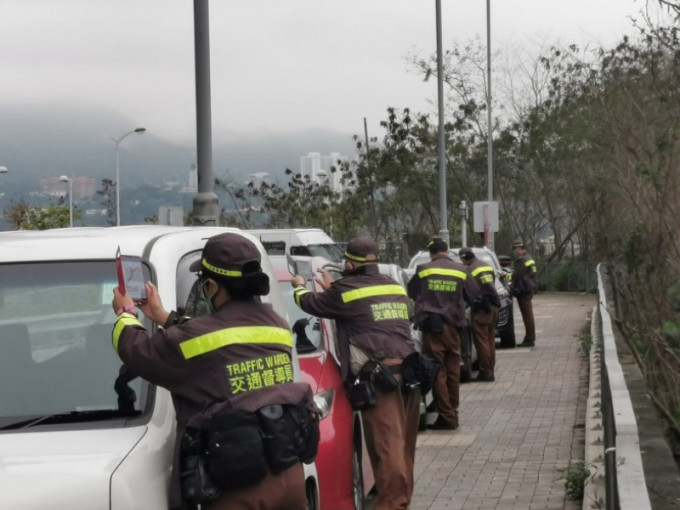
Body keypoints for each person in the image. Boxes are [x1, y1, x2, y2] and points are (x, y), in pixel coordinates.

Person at [111, 232, 318, 510]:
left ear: (210, 286)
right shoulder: (276, 325)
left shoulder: (196, 342)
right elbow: (218, 339)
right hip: (287, 477)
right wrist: (164, 317)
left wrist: (125, 313)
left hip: (238, 486)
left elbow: (139, 352)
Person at [290, 237, 420, 510]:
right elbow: (364, 307)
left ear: (349, 264)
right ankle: (401, 501)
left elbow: (310, 304)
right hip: (409, 374)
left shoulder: (344, 292)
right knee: (403, 449)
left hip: (380, 379)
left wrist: (299, 287)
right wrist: (335, 288)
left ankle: (393, 505)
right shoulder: (393, 286)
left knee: (387, 450)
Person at [407, 237, 477, 430]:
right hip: (454, 328)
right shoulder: (462, 270)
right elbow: (474, 294)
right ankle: (452, 412)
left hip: (433, 329)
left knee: (437, 370)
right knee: (453, 369)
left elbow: (411, 292)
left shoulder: (424, 270)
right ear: (447, 251)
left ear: (431, 253)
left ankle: (447, 416)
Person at [459, 247, 501, 382]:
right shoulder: (486, 266)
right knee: (490, 340)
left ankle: (485, 372)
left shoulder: (470, 269)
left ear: (463, 258)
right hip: (493, 306)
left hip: (481, 308)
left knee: (481, 341)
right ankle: (490, 370)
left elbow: (468, 291)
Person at [502, 237, 538, 347]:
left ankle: (529, 339)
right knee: (528, 315)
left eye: (515, 249)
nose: (515, 251)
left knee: (527, 316)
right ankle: (530, 338)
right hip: (528, 289)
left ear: (519, 248)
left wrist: (504, 275)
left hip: (523, 291)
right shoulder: (529, 258)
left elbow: (516, 275)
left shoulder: (523, 260)